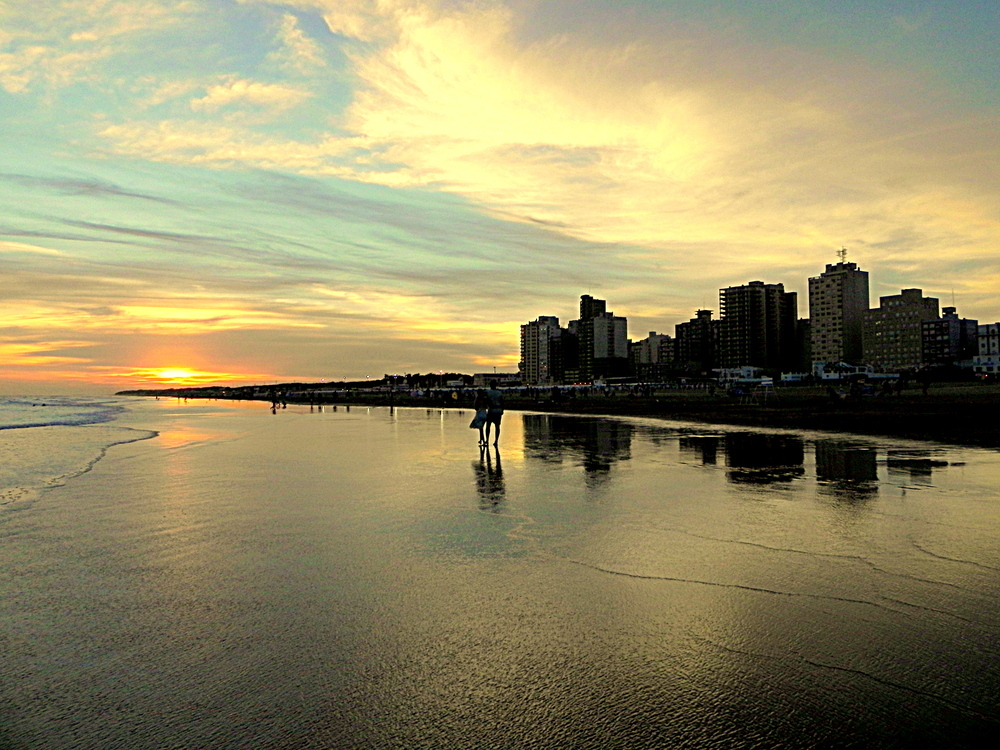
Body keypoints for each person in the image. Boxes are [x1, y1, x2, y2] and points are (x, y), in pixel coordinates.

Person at [484, 380, 504, 447]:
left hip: (491, 411)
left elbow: (486, 401)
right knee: (497, 426)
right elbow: (502, 402)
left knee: (488, 426)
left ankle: (487, 440)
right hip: (498, 411)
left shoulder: (488, 392)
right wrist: (502, 410)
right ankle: (496, 441)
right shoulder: (499, 393)